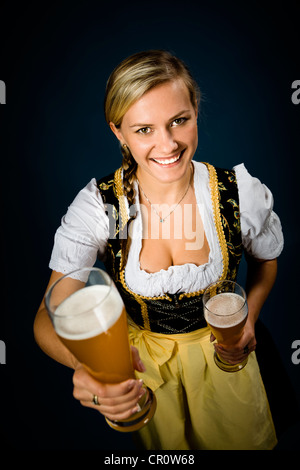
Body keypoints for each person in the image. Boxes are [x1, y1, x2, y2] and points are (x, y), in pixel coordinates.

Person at [34, 50, 284, 450]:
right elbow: (49, 316)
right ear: (118, 132)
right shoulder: (103, 208)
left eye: (178, 121)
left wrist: (249, 317)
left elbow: (265, 263)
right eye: (144, 130)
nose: (167, 144)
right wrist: (90, 368)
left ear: (195, 110)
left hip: (228, 365)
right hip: (144, 373)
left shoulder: (236, 193)